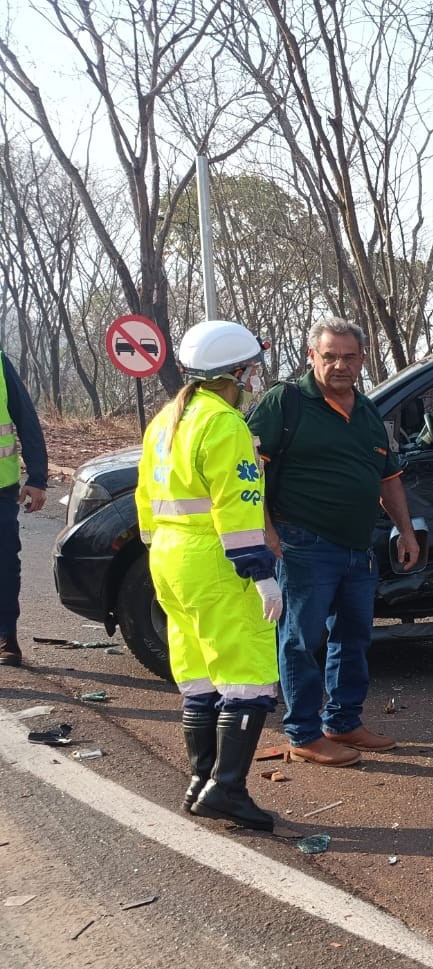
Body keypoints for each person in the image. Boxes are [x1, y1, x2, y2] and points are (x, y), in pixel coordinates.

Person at [249, 317, 417, 767]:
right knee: (301, 641)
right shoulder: (285, 402)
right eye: (330, 356)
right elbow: (250, 470)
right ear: (312, 356)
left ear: (362, 359)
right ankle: (303, 733)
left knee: (353, 637)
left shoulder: (366, 412)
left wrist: (405, 529)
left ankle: (342, 722)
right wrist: (264, 529)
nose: (339, 364)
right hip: (303, 543)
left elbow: (388, 477)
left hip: (358, 547)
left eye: (348, 356)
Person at [135, 320, 282, 832]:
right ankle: (228, 788)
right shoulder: (224, 423)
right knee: (247, 674)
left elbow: (145, 504)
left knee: (198, 675)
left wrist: (162, 550)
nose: (254, 379)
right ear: (235, 372)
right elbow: (238, 505)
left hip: (170, 558)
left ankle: (202, 782)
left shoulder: (166, 420)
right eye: (251, 371)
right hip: (215, 559)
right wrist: (261, 573)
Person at [0, 349, 49, 668]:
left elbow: (26, 419)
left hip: (1, 488)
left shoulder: (0, 363)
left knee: (3, 564)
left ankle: (6, 636)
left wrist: (38, 476)